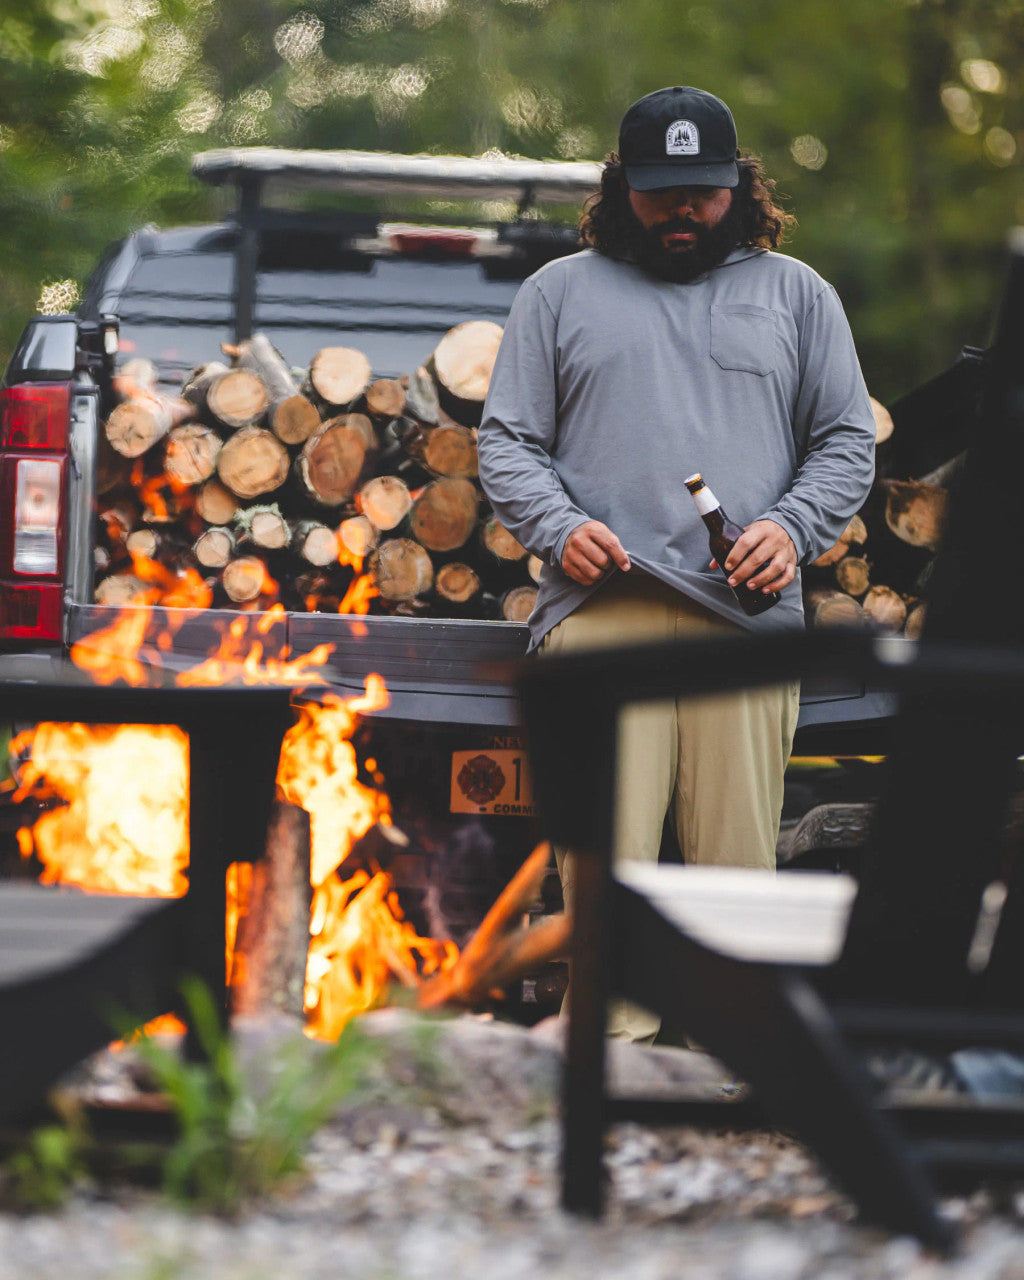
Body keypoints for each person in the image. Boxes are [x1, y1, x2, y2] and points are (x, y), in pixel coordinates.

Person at [477, 86, 876, 1039]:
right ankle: (608, 1061)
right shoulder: (558, 293)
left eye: (702, 190)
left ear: (740, 185)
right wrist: (557, 526)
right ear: (623, 189)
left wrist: (791, 527)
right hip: (599, 615)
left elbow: (846, 441)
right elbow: (507, 442)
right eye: (660, 192)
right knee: (600, 867)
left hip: (746, 628)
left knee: (737, 873)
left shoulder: (799, 294)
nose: (682, 210)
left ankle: (737, 1062)